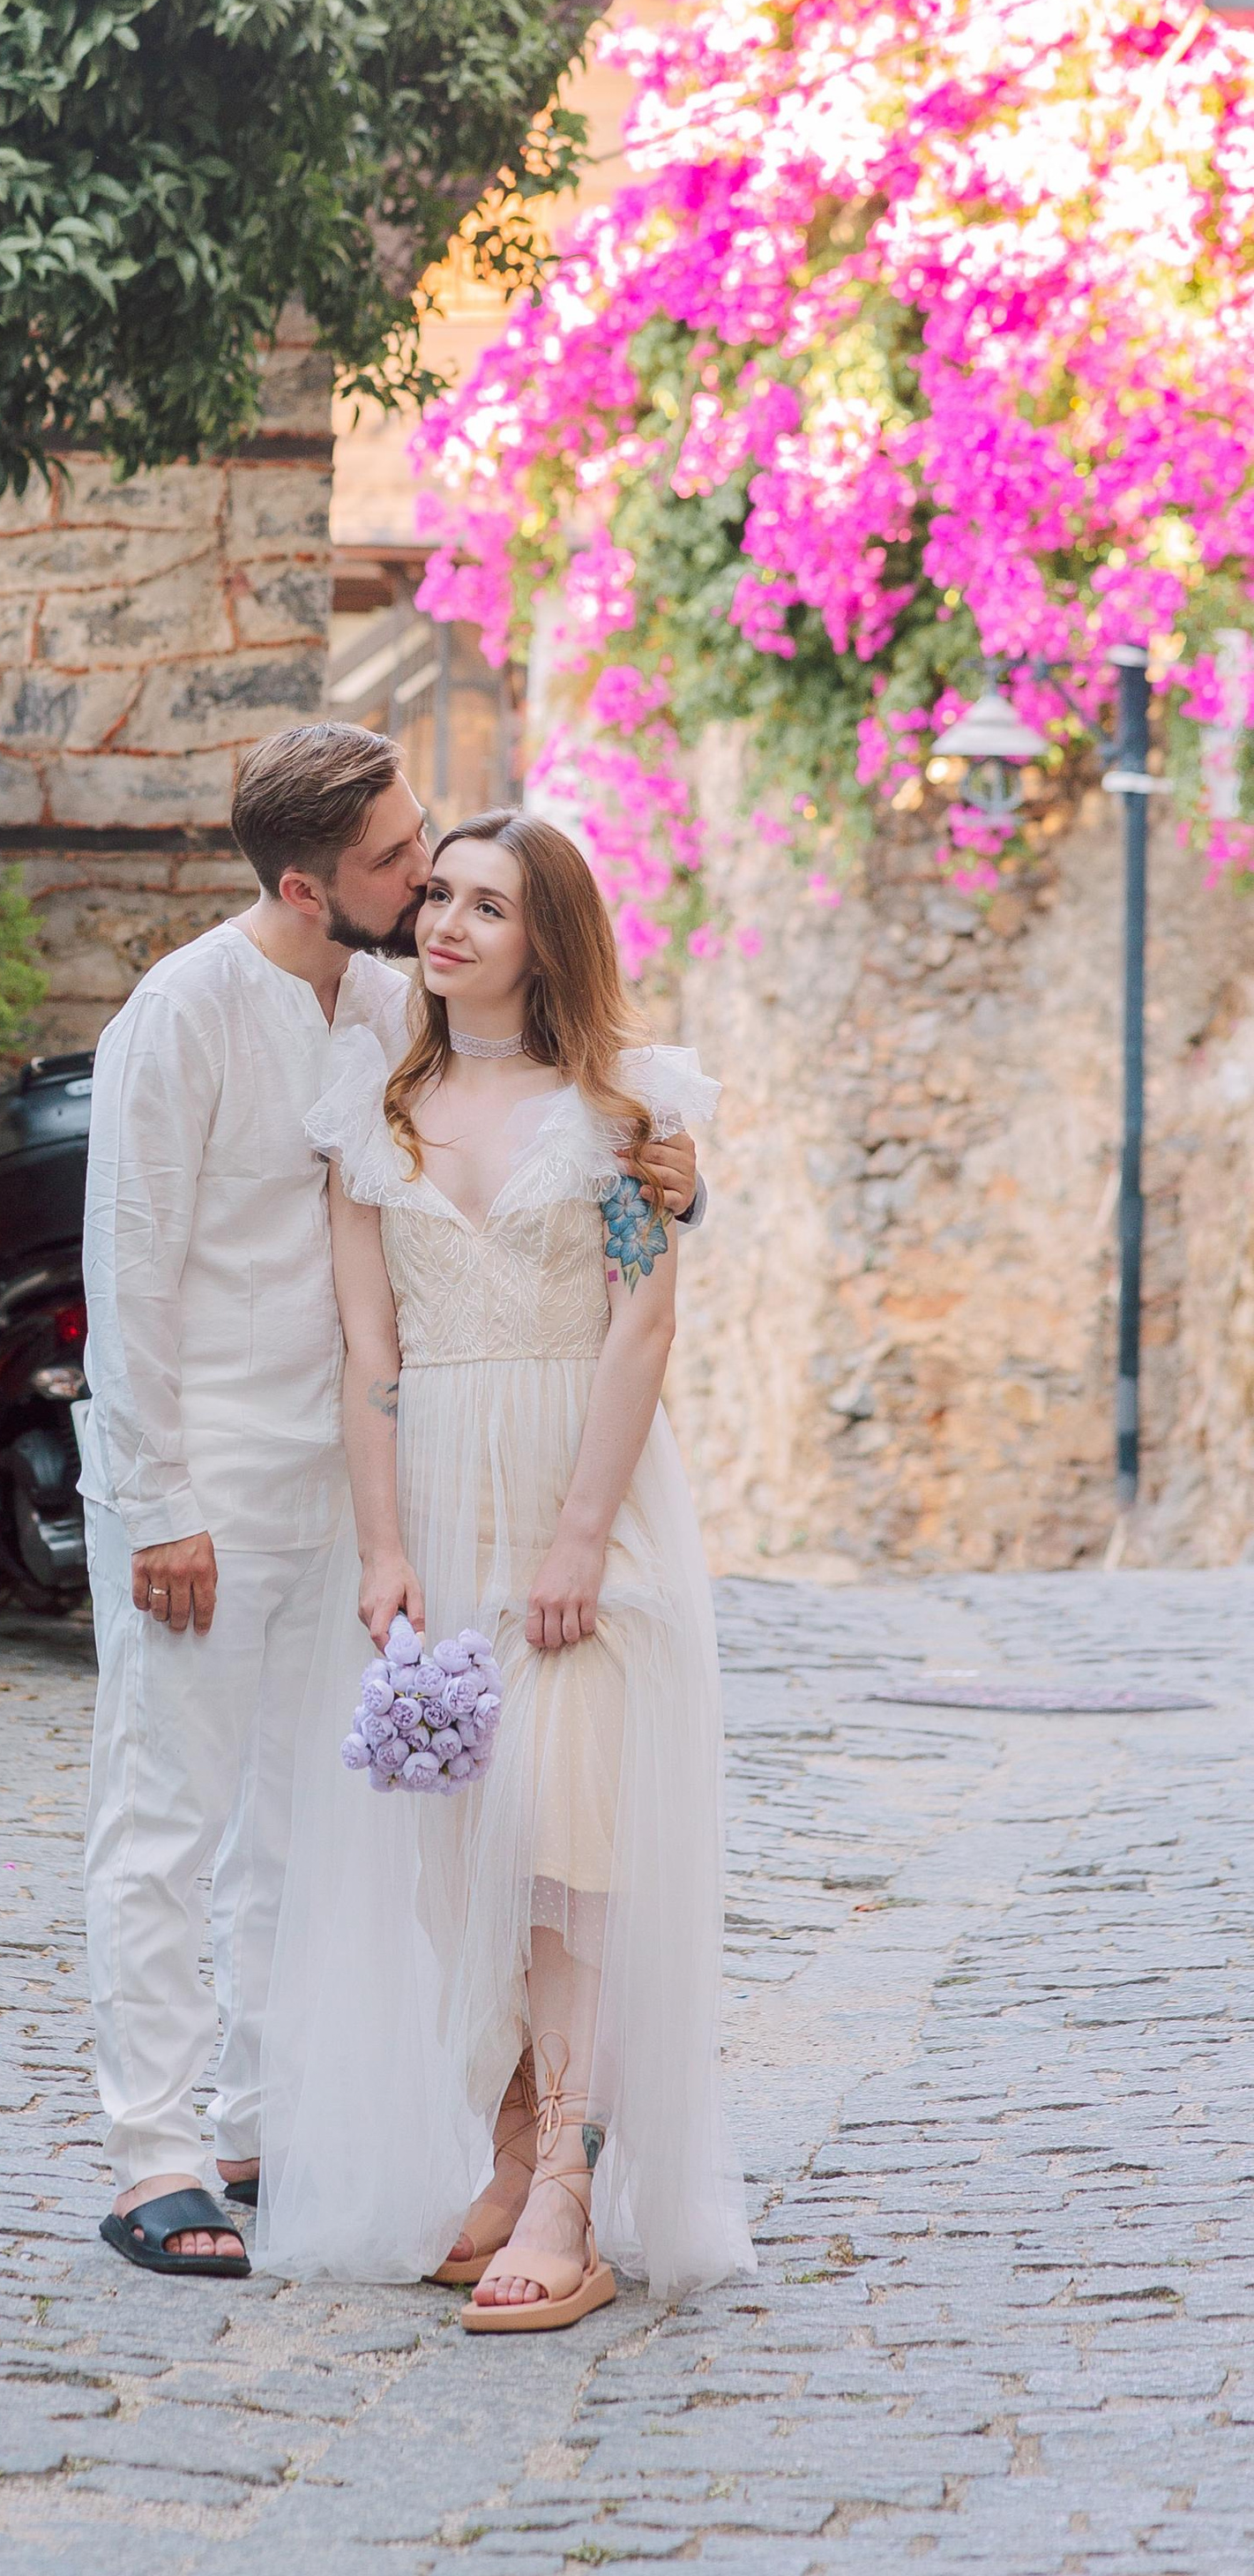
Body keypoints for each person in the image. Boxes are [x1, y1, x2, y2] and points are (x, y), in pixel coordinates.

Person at [79, 735, 700, 2275]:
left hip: (373, 1483)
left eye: (438, 856)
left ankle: (257, 2113)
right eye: (399, 862)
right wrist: (156, 1500)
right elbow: (129, 1269)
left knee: (310, 1827)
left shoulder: (378, 997)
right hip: (210, 1483)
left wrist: (677, 1176)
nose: (428, 884)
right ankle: (157, 2158)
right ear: (308, 884)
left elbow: (582, 1152)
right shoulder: (182, 1015)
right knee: (170, 1810)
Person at [257, 809, 751, 2323]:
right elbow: (369, 1346)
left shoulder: (620, 1116)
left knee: (564, 1844)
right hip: (433, 1509)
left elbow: (643, 1325)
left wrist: (583, 1537)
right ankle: (499, 2150)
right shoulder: (376, 1105)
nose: (451, 924)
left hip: (571, 1487)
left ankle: (571, 2191)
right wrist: (386, 1542)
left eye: (493, 905)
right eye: (443, 898)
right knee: (455, 1856)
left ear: (551, 938)